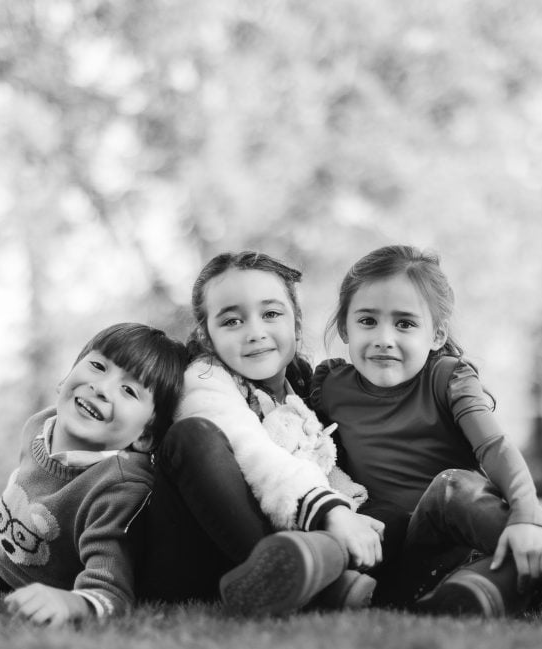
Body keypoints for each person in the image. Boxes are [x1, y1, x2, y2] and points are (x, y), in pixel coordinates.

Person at [309, 245, 542, 624]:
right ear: (344, 328)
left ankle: (483, 590)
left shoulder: (448, 377)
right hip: (398, 556)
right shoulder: (329, 386)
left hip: (482, 547)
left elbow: (494, 447)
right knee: (450, 487)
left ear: (436, 335)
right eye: (368, 321)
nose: (384, 337)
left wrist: (526, 517)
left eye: (404, 324)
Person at [137, 251, 384, 615]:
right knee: (192, 437)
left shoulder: (303, 392)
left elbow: (323, 467)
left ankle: (321, 569)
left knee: (384, 514)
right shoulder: (204, 381)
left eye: (271, 314)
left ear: (296, 324)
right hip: (193, 558)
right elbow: (254, 453)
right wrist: (331, 512)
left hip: (270, 544)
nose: (255, 333)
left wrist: (353, 511)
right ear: (207, 337)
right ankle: (311, 580)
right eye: (232, 321)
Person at [0, 323, 186, 626]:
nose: (101, 387)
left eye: (128, 390)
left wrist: (72, 603)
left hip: (47, 581)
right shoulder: (40, 424)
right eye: (98, 366)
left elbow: (111, 592)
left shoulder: (120, 487)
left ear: (145, 436)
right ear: (64, 379)